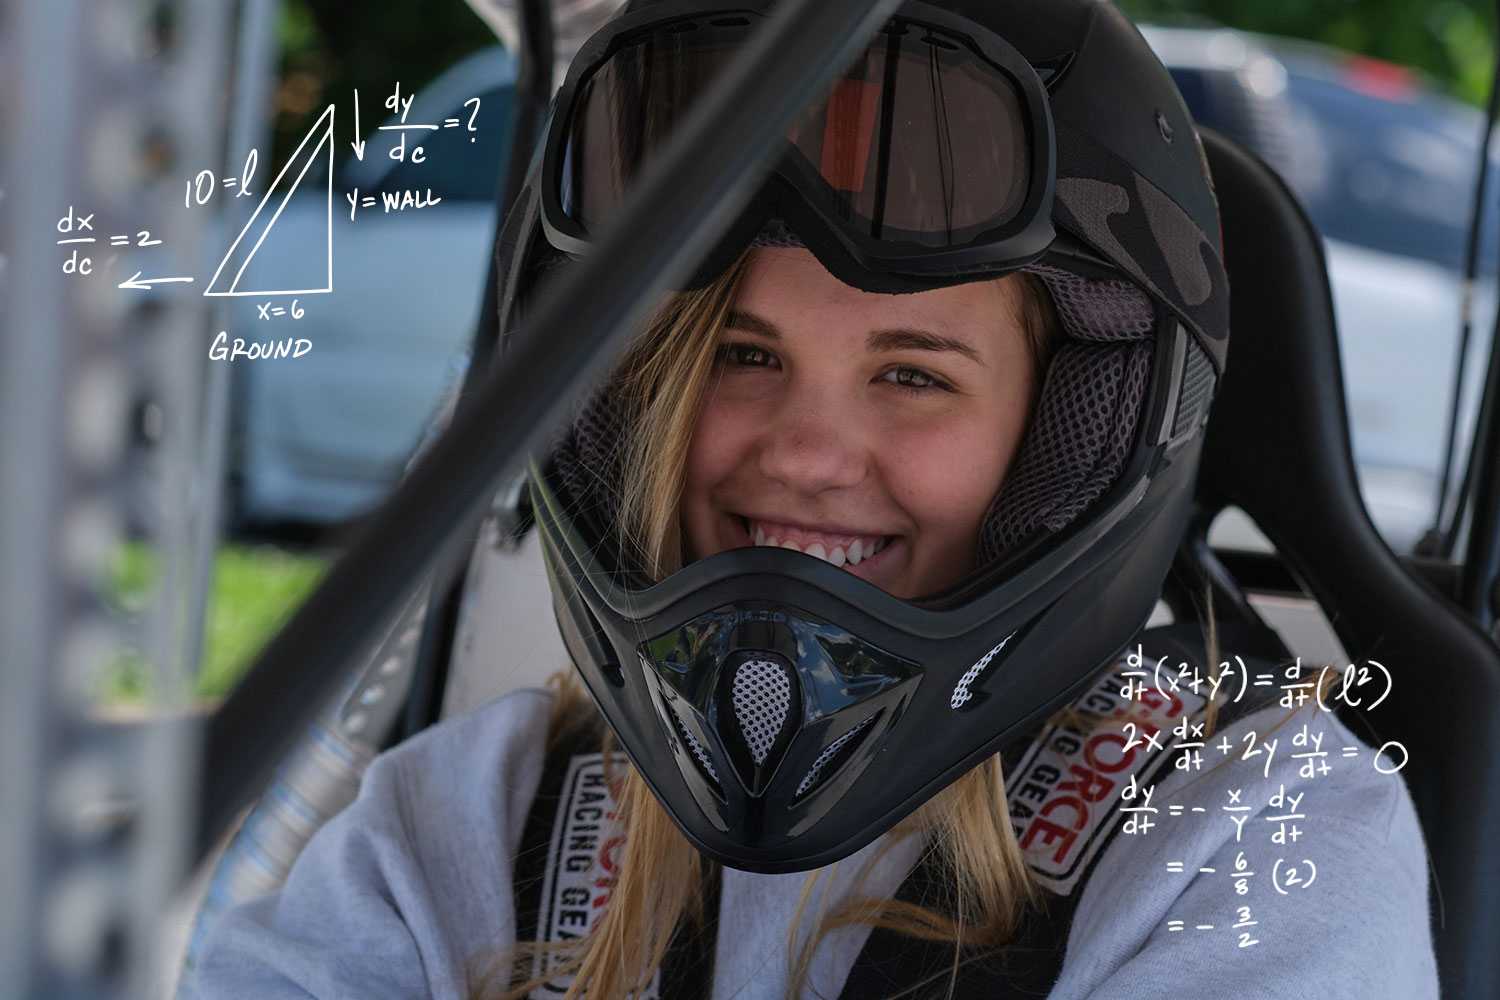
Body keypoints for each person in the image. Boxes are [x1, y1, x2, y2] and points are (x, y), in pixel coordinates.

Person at [182, 1, 1439, 997]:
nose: (808, 452)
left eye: (912, 373)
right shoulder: (481, 811)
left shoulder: (1259, 831)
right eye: (743, 354)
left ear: (1069, 430)